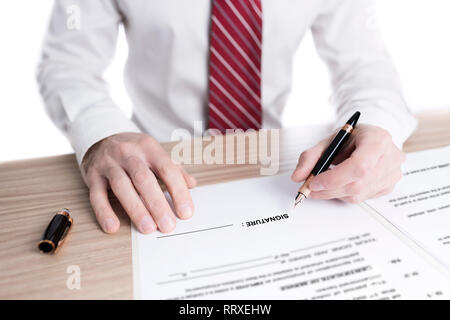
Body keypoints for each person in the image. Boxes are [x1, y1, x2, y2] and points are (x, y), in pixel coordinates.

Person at [37, 0, 417, 235]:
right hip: (154, 170)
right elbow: (68, 64)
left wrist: (380, 125)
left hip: (270, 169)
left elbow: (365, 66)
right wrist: (102, 136)